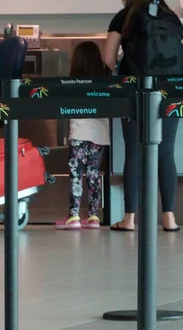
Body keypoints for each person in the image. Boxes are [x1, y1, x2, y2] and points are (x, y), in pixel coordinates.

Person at [102, 0, 183, 233]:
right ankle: (169, 217)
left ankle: (129, 218)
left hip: (136, 91)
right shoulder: (171, 18)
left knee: (134, 151)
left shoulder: (124, 17)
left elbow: (107, 59)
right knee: (166, 152)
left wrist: (127, 61)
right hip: (171, 92)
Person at [55, 41, 110, 230]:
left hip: (79, 131)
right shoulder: (104, 80)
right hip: (100, 133)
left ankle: (74, 216)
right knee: (94, 175)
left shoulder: (73, 81)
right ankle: (94, 216)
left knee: (76, 175)